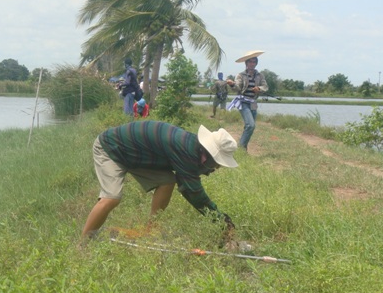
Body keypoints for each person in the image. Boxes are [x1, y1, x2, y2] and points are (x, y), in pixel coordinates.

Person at [81, 120, 237, 241]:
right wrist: (222, 221)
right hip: (111, 148)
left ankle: (150, 231)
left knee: (167, 180)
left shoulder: (192, 147)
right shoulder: (186, 151)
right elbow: (194, 193)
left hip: (136, 155)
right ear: (209, 154)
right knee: (111, 197)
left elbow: (186, 187)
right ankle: (83, 244)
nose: (216, 168)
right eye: (217, 163)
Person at [226, 51, 268, 151]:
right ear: (246, 63)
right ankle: (241, 148)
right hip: (243, 102)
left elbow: (265, 86)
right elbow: (237, 87)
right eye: (250, 62)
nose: (252, 64)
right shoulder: (240, 75)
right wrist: (232, 84)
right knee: (251, 125)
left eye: (254, 62)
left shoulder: (260, 75)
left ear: (256, 63)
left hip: (253, 103)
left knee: (250, 126)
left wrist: (259, 89)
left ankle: (243, 147)